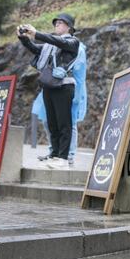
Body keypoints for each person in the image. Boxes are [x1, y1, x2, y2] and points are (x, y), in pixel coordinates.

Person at [18, 13, 79, 170]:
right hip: (49, 85)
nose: (57, 24)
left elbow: (56, 41)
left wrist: (36, 33)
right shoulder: (49, 45)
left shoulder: (72, 42)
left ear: (70, 27)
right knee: (52, 122)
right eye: (56, 23)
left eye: (61, 22)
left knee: (64, 123)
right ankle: (55, 154)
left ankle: (64, 158)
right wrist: (23, 37)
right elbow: (34, 48)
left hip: (64, 86)